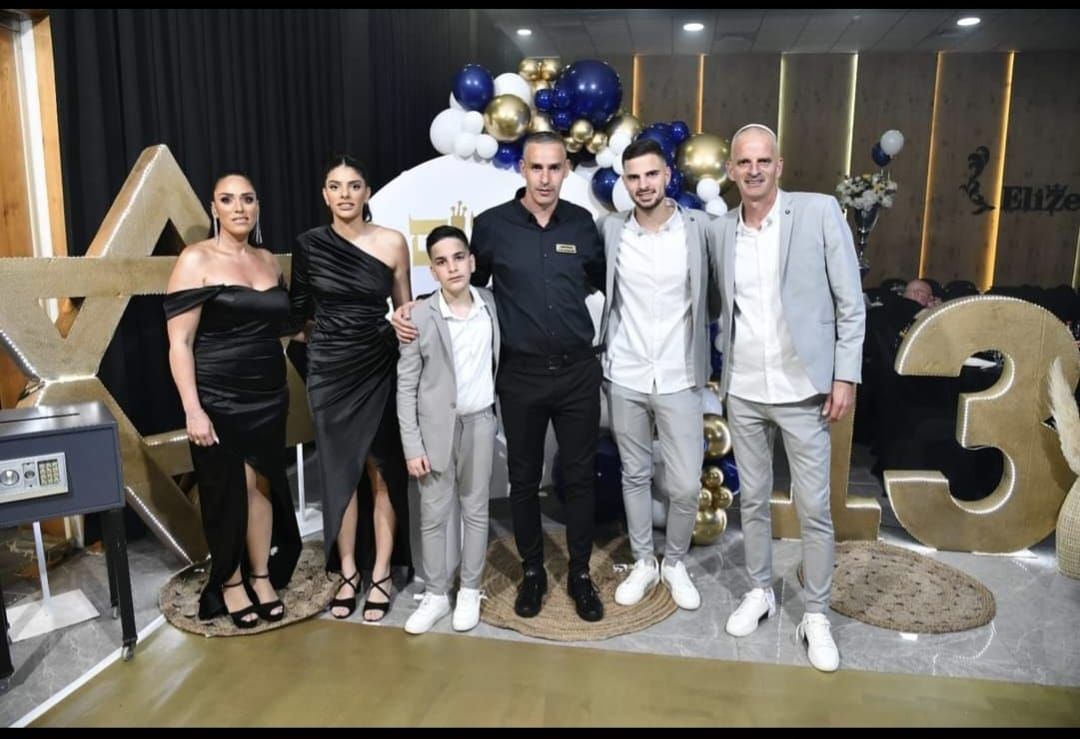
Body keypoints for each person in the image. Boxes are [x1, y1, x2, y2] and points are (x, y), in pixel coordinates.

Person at [393, 131, 606, 622]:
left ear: (566, 170)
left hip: (577, 372)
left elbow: (598, 279)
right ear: (522, 169)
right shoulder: (491, 226)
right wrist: (416, 308)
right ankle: (532, 573)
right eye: (536, 167)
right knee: (523, 480)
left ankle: (579, 574)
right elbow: (464, 286)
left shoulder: (583, 223)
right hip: (520, 375)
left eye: (554, 168)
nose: (545, 178)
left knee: (580, 478)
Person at [710, 124, 865, 672]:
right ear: (731, 170)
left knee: (814, 508)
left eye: (763, 160)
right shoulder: (721, 230)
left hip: (804, 389)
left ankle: (816, 614)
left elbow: (850, 303)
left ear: (779, 165)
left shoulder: (818, 213)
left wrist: (845, 376)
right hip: (745, 390)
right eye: (743, 161)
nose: (753, 170)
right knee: (752, 501)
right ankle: (760, 591)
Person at [165, 172, 301, 629]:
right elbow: (180, 343)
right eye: (228, 199)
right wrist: (193, 409)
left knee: (263, 484)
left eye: (247, 198)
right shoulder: (195, 259)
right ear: (214, 209)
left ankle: (261, 575)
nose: (239, 207)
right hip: (219, 394)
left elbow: (284, 327)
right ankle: (230, 581)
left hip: (269, 394)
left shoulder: (268, 261)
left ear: (257, 206)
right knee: (231, 490)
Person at [597, 138, 720, 611]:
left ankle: (675, 562)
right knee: (635, 473)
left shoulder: (699, 228)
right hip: (625, 372)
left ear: (668, 175)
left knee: (685, 483)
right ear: (624, 182)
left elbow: (716, 295)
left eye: (651, 174)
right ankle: (644, 560)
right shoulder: (611, 229)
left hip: (679, 374)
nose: (643, 184)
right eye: (634, 177)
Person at [291, 155, 412, 622]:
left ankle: (381, 572)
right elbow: (298, 312)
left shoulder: (392, 241)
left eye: (354, 185)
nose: (345, 194)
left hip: (379, 364)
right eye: (335, 186)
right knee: (339, 472)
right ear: (325, 195)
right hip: (329, 372)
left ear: (367, 192)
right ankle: (347, 572)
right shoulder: (308, 245)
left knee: (382, 470)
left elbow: (404, 311)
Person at [397, 226, 499, 634]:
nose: (452, 267)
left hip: (481, 423)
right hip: (435, 432)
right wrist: (412, 446)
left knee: (476, 510)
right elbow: (406, 386)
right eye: (441, 262)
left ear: (471, 261)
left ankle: (470, 589)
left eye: (458, 257)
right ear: (433, 271)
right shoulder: (419, 316)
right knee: (433, 515)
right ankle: (437, 593)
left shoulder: (491, 305)